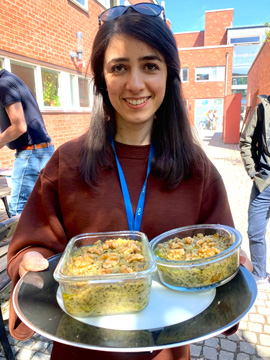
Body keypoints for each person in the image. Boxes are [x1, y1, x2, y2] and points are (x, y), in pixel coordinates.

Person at [7, 4, 252, 360]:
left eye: (150, 66)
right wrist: (28, 260)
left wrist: (236, 267)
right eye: (119, 67)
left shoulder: (197, 170)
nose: (135, 84)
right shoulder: (68, 163)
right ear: (101, 78)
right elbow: (33, 249)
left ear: (169, 74)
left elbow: (221, 257)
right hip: (83, 350)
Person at [0, 69, 54, 216]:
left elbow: (19, 126)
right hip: (43, 151)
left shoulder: (3, 85)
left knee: (18, 211)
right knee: (43, 209)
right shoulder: (12, 79)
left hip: (31, 155)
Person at [240, 94, 270, 284]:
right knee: (255, 231)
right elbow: (246, 141)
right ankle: (259, 274)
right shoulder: (262, 109)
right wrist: (253, 173)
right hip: (265, 183)